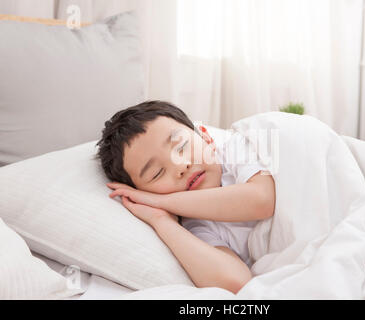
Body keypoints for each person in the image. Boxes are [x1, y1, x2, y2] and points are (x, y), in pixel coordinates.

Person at [96, 100, 275, 294]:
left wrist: (161, 201)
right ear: (144, 193)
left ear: (205, 137)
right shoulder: (198, 226)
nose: (181, 166)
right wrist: (161, 220)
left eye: (181, 146)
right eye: (157, 173)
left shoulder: (237, 147)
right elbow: (236, 283)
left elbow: (262, 200)